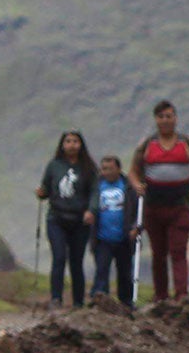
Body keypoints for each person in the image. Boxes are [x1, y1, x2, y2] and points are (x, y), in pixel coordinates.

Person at [130, 102, 189, 305]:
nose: (165, 120)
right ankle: (160, 295)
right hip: (153, 207)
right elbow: (133, 171)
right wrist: (137, 185)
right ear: (156, 119)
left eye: (169, 116)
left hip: (179, 206)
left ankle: (181, 294)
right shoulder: (146, 144)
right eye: (161, 117)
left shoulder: (188, 144)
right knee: (158, 252)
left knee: (178, 251)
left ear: (176, 118)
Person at [35, 130, 97, 309]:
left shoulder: (88, 168)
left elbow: (95, 191)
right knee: (59, 257)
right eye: (68, 141)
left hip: (79, 221)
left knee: (76, 261)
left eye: (75, 141)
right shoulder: (54, 166)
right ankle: (56, 299)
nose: (71, 145)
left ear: (81, 145)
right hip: (57, 218)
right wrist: (41, 193)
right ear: (62, 145)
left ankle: (78, 301)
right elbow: (46, 188)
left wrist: (91, 210)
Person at [88, 155, 136, 307]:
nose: (106, 172)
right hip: (102, 238)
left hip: (124, 238)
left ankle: (126, 302)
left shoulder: (128, 186)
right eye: (104, 169)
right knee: (101, 270)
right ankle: (100, 300)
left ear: (118, 169)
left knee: (125, 273)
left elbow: (137, 209)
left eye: (110, 169)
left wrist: (137, 228)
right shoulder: (96, 186)